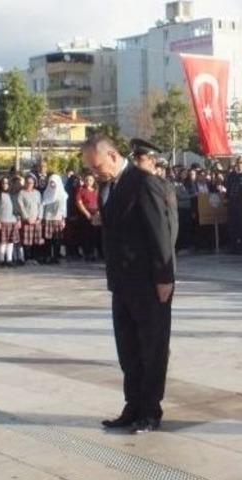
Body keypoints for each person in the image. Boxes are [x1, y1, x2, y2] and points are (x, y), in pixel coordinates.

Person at [82, 135, 175, 435]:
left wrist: (164, 278)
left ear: (111, 155)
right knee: (128, 349)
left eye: (97, 167)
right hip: (121, 283)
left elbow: (161, 233)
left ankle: (150, 410)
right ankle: (132, 406)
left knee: (152, 348)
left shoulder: (143, 182)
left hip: (148, 283)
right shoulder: (111, 185)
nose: (95, 174)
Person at [0, 177, 20, 267]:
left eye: (7, 183)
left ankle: (9, 259)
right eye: (3, 183)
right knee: (2, 243)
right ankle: (1, 260)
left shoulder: (13, 195)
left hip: (12, 221)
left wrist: (18, 219)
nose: (5, 185)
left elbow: (17, 208)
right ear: (0, 184)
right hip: (2, 221)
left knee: (10, 243)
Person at [41, 174, 68, 264]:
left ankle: (56, 256)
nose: (52, 184)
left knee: (57, 239)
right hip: (48, 219)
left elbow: (64, 208)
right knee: (48, 239)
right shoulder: (46, 193)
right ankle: (48, 256)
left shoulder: (62, 194)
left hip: (58, 219)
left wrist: (63, 219)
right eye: (51, 182)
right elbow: (43, 206)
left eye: (54, 183)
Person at [17, 176, 44, 264]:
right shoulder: (21, 193)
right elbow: (21, 206)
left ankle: (35, 258)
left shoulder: (37, 193)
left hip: (36, 221)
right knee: (27, 241)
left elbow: (40, 206)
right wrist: (26, 218)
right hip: (27, 220)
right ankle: (28, 258)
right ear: (25, 183)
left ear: (34, 184)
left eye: (31, 183)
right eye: (27, 182)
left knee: (36, 240)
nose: (29, 184)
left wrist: (40, 218)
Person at [75, 173, 101, 261]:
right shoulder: (81, 190)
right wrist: (87, 214)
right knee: (86, 234)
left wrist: (97, 213)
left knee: (95, 234)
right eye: (87, 180)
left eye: (90, 180)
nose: (88, 182)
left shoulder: (96, 191)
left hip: (96, 214)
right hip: (85, 214)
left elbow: (99, 203)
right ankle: (87, 253)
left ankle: (94, 253)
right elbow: (79, 203)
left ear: (93, 181)